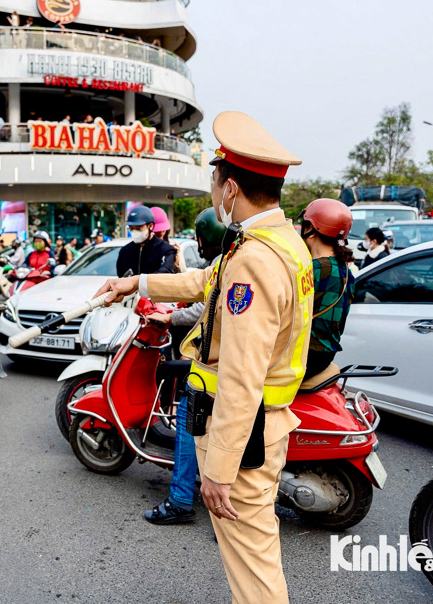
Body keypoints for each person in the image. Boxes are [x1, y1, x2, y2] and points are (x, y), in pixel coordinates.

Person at [94, 111, 312, 604]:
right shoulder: (282, 243)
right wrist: (136, 283)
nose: (214, 194)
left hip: (244, 433)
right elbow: (203, 281)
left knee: (254, 574)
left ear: (230, 189)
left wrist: (218, 471)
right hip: (265, 425)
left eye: (215, 183)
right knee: (254, 559)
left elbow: (240, 377)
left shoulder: (254, 260)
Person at [143, 207, 226, 525]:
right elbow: (190, 287)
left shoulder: (227, 264)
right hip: (233, 363)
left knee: (188, 417)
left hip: (217, 366)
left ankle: (179, 499)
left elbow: (202, 303)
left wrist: (167, 315)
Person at [299, 199, 356, 379]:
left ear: (311, 229)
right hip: (325, 355)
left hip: (304, 356)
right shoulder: (346, 270)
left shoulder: (313, 270)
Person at [115, 206, 176, 277]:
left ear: (150, 226)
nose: (134, 232)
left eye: (138, 228)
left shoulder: (165, 250)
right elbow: (121, 276)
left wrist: (140, 281)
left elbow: (165, 272)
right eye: (131, 229)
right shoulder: (125, 251)